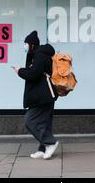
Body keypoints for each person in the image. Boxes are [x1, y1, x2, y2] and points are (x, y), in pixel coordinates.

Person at [12, 30, 59, 159]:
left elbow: (34, 74)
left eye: (26, 43)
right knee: (44, 123)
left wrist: (19, 71)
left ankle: (51, 143)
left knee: (30, 120)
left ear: (32, 44)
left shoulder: (39, 55)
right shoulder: (36, 55)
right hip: (42, 95)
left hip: (43, 96)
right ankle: (42, 149)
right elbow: (34, 71)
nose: (25, 46)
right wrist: (23, 70)